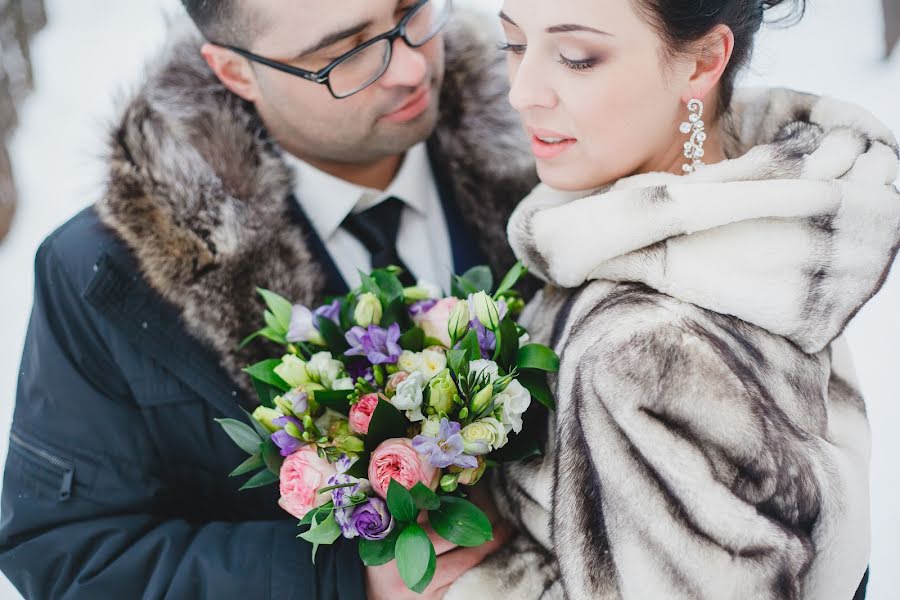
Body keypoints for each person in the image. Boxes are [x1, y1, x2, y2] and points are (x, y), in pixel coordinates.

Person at [0, 1, 537, 598]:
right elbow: (72, 554)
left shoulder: (564, 154)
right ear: (235, 71)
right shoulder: (106, 277)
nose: (409, 68)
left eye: (411, 12)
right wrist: (340, 581)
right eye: (344, 53)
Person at [445, 0, 899, 598]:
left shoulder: (648, 347)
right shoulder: (759, 229)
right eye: (514, 44)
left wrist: (468, 578)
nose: (522, 93)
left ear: (704, 60)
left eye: (577, 57)